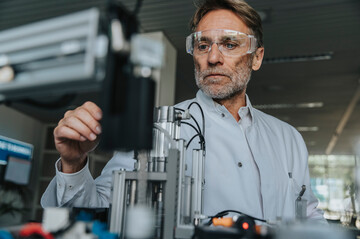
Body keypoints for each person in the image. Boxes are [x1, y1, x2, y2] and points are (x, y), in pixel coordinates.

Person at [41, 0, 325, 222]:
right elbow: (98, 208)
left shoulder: (288, 139)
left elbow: (310, 217)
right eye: (203, 45)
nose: (213, 57)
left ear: (256, 57)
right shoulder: (155, 128)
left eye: (229, 44)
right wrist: (74, 165)